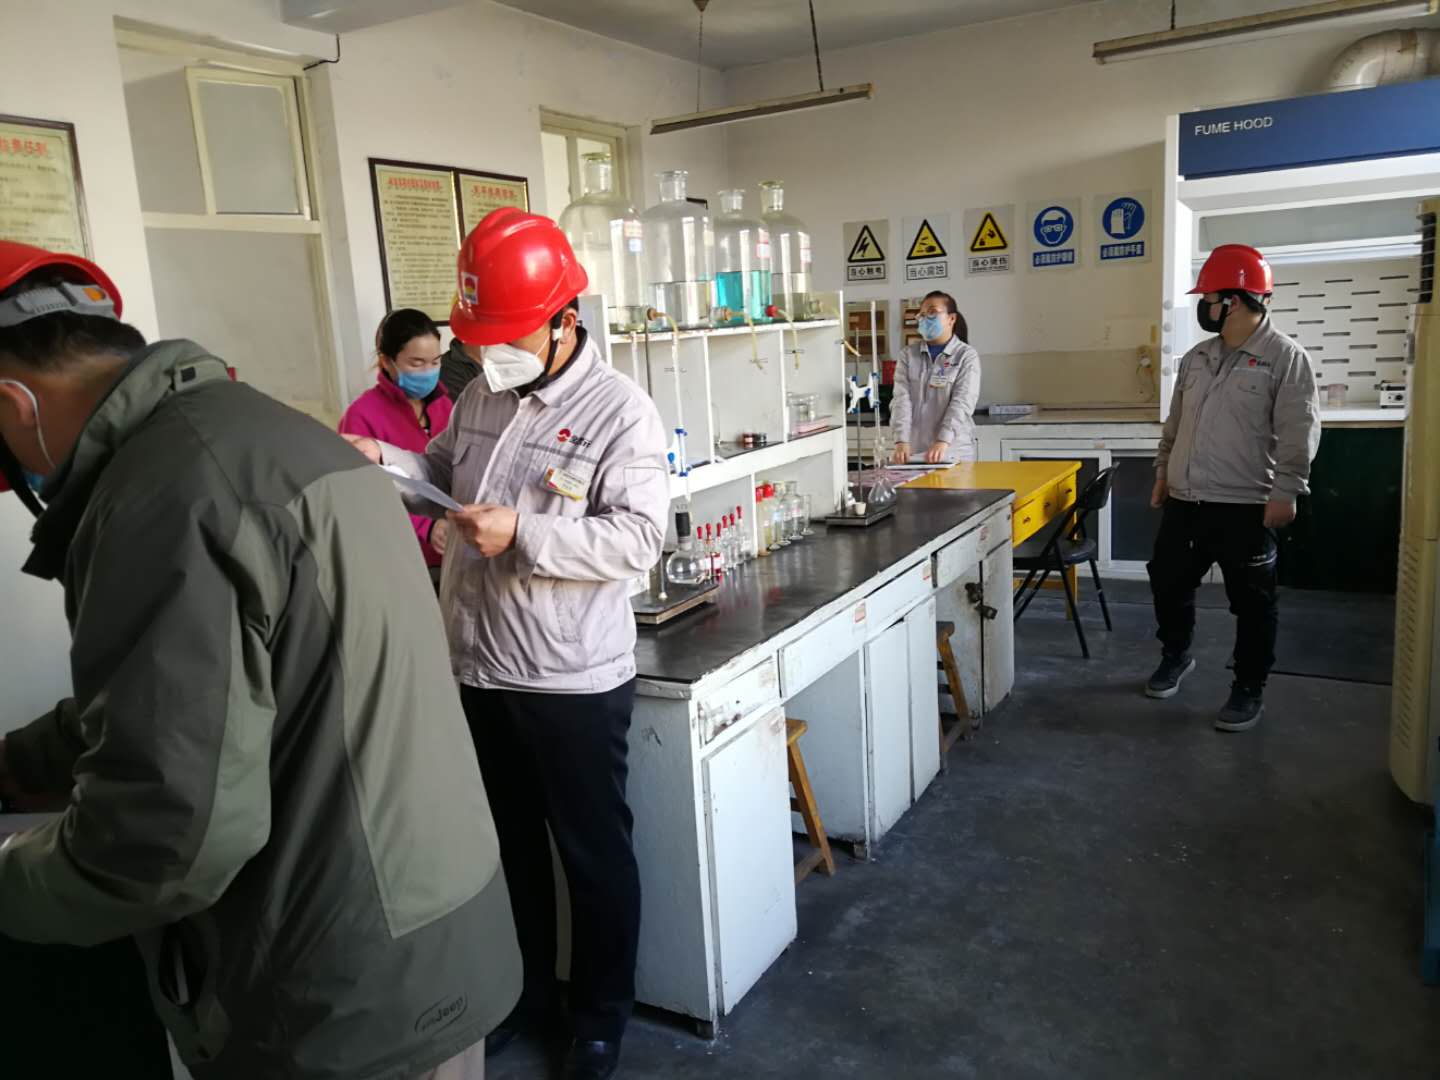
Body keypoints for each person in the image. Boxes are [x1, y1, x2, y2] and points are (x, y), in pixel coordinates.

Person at [0, 239, 520, 1080]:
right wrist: (17, 766)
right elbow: (187, 699)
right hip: (438, 935)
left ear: (14, 402)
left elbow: (166, 841)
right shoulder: (278, 436)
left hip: (338, 994)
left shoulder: (162, 499)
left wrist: (12, 876)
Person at [348, 208, 668, 1080]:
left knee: (592, 856)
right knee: (506, 848)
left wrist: (524, 533)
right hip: (477, 667)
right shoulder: (481, 395)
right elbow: (439, 474)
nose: (489, 352)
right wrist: (381, 461)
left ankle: (599, 1019)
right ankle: (522, 997)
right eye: (480, 336)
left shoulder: (621, 413)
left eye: (507, 334)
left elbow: (638, 541)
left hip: (568, 680)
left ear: (565, 319)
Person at [1146, 243, 1321, 731]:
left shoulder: (1285, 358)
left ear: (1235, 301)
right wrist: (1162, 472)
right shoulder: (1197, 358)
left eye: (1208, 299)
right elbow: (1175, 424)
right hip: (1186, 499)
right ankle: (1175, 655)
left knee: (1253, 603)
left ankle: (1248, 686)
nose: (1203, 307)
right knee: (1167, 580)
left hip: (1245, 505)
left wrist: (1286, 490)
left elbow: (1299, 431)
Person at [340, 308, 453, 578]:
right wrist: (425, 528)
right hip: (399, 560)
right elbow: (361, 499)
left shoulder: (446, 407)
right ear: (386, 361)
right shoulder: (362, 415)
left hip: (451, 555)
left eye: (435, 362)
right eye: (416, 363)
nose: (428, 372)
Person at [890, 290, 981, 465]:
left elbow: (962, 402)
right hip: (914, 450)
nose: (925, 318)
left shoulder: (965, 355)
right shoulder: (908, 355)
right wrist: (901, 440)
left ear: (951, 318)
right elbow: (901, 400)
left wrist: (943, 440)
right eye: (922, 314)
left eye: (932, 312)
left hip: (953, 450)